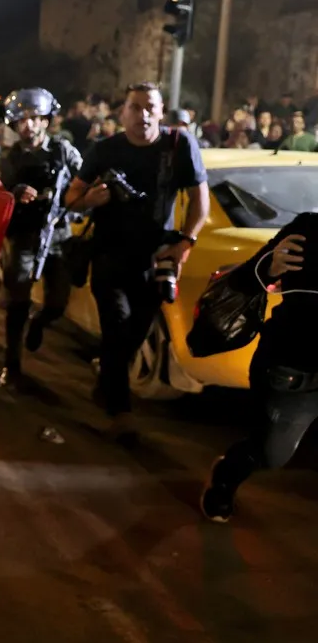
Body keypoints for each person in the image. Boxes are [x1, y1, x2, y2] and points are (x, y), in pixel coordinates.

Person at [65, 82, 209, 442]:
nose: (142, 114)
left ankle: (107, 380)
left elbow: (199, 202)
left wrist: (185, 244)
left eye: (150, 107)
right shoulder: (105, 149)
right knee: (116, 325)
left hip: (155, 259)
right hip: (109, 254)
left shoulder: (179, 146)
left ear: (161, 112)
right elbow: (72, 196)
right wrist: (91, 199)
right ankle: (120, 411)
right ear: (122, 112)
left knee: (136, 332)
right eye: (134, 107)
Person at [201, 213, 318, 521]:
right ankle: (227, 475)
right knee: (270, 454)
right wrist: (267, 268)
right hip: (295, 372)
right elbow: (242, 281)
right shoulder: (308, 230)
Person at [0, 87, 83, 387]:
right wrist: (15, 193)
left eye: (34, 118)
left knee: (58, 303)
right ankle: (12, 364)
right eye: (21, 120)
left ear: (46, 120)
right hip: (23, 237)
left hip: (58, 234)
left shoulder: (64, 152)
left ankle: (41, 322)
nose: (28, 125)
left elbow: (83, 185)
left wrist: (73, 207)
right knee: (17, 301)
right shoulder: (8, 158)